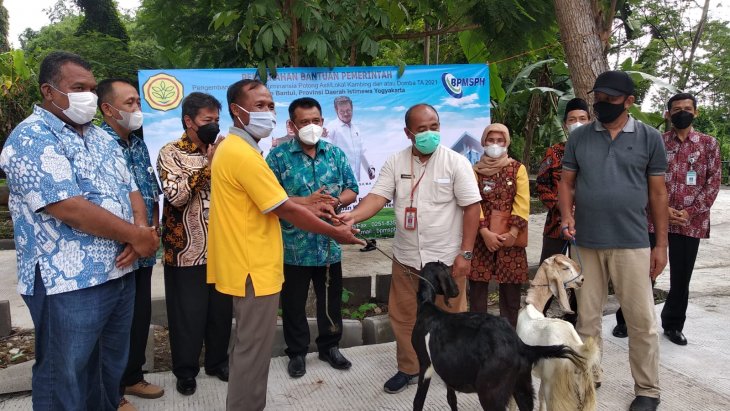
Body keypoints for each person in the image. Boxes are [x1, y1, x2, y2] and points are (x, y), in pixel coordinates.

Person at [0, 51, 159, 410]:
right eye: (78, 88)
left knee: (108, 370)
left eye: (90, 87)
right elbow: (67, 206)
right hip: (67, 283)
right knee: (65, 376)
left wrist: (138, 229)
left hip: (118, 272)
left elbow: (131, 188)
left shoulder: (102, 138)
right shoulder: (31, 138)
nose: (88, 95)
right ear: (49, 91)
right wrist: (135, 236)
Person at [207, 79, 364, 411]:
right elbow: (283, 207)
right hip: (255, 266)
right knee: (252, 351)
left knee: (252, 348)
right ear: (237, 110)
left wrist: (313, 205)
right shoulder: (246, 154)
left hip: (254, 262)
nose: (267, 112)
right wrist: (336, 232)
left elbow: (277, 201)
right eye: (259, 106)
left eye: (270, 105)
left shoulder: (239, 150)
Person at [337, 103, 481, 394]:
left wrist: (465, 253)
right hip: (405, 258)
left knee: (451, 315)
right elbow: (377, 197)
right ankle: (409, 368)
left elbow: (472, 208)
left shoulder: (456, 162)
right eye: (422, 129)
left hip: (445, 261)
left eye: (434, 127)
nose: (430, 133)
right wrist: (352, 215)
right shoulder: (396, 162)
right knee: (403, 316)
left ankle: (453, 367)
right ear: (408, 132)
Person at [559, 70, 668, 411]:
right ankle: (589, 376)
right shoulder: (579, 138)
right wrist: (567, 215)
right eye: (599, 98)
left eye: (610, 99)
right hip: (586, 243)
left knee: (641, 321)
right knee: (587, 319)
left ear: (629, 101)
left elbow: (658, 194)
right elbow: (566, 182)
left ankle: (648, 390)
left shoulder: (650, 138)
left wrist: (660, 245)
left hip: (632, 242)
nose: (601, 104)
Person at [611, 92, 721, 346]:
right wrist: (663, 208)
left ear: (696, 112)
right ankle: (627, 319)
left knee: (681, 277)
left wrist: (690, 212)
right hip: (653, 219)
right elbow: (642, 178)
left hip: (690, 222)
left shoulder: (708, 144)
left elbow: (712, 183)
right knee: (642, 272)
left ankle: (673, 324)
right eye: (676, 108)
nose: (682, 112)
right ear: (667, 113)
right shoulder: (656, 142)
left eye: (687, 108)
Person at [266, 97, 359, 378]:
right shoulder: (278, 157)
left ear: (322, 121)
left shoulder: (335, 154)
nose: (311, 126)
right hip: (293, 246)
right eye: (304, 122)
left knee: (330, 300)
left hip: (329, 246)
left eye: (315, 121)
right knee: (293, 303)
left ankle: (330, 346)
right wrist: (306, 202)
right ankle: (296, 352)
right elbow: (270, 199)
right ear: (292, 125)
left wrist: (336, 203)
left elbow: (352, 189)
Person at [157, 92, 232, 396]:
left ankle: (217, 362)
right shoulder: (170, 152)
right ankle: (186, 371)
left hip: (224, 248)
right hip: (186, 251)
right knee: (187, 315)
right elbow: (176, 196)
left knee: (221, 312)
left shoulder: (226, 149)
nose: (213, 125)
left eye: (216, 120)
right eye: (206, 120)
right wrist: (209, 165)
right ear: (189, 121)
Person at [97, 78, 164, 410]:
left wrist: (150, 233)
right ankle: (113, 391)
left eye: (139, 102)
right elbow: (104, 202)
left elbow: (149, 192)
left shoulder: (138, 143)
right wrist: (133, 238)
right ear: (108, 109)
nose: (138, 109)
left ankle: (133, 376)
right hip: (118, 250)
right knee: (114, 323)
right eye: (130, 104)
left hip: (145, 248)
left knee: (139, 316)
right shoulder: (97, 144)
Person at [468, 123, 530, 328]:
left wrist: (513, 232)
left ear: (507, 143)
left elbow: (522, 202)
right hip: (480, 238)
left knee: (511, 292)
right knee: (477, 291)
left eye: (500, 140)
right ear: (483, 142)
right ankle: (479, 337)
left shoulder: (517, 168)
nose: (495, 144)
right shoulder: (474, 171)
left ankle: (508, 336)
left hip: (510, 237)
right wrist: (484, 231)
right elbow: (472, 202)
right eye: (491, 140)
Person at [535, 97, 591, 321]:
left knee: (582, 272)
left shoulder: (598, 151)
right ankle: (538, 313)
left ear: (589, 120)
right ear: (565, 124)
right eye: (572, 119)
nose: (577, 123)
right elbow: (541, 184)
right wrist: (560, 206)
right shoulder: (555, 153)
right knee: (549, 270)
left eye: (582, 119)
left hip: (588, 224)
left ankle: (577, 317)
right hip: (556, 224)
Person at [325, 96, 375, 181]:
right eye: (342, 111)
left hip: (356, 180)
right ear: (336, 111)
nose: (346, 114)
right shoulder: (332, 127)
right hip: (339, 180)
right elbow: (325, 145)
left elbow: (362, 152)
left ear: (352, 109)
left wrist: (370, 168)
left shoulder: (356, 129)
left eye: (348, 110)